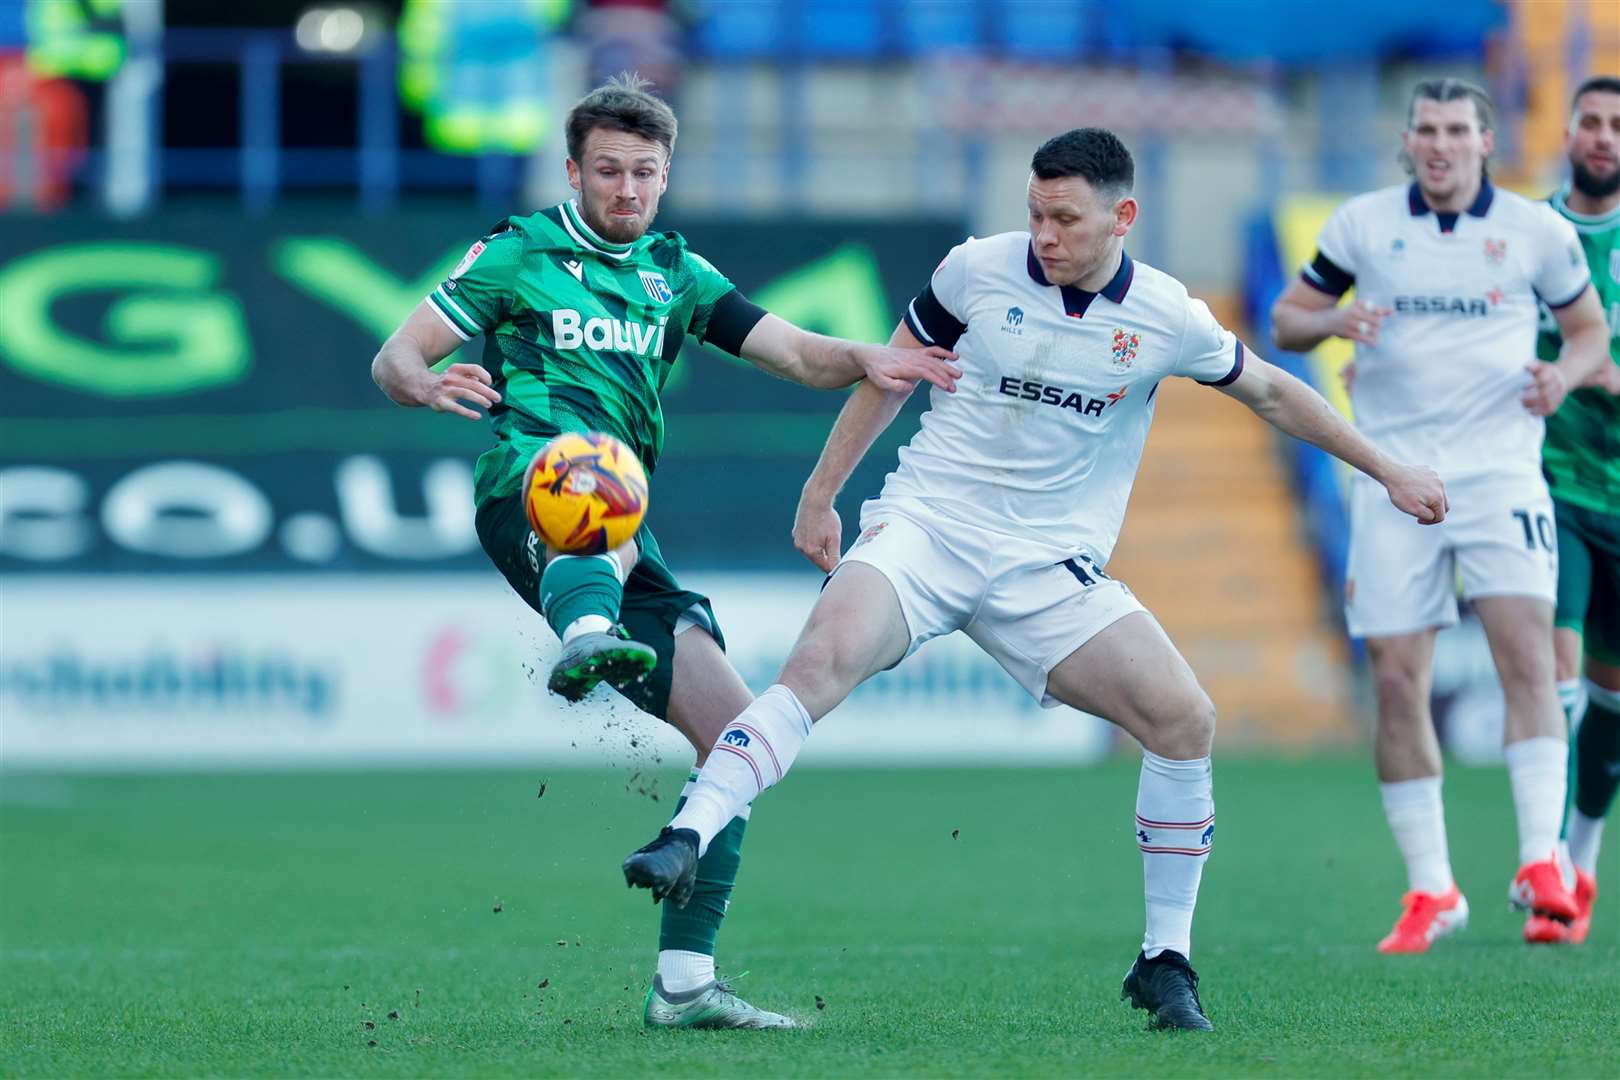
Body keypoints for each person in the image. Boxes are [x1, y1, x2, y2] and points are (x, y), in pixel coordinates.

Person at [621, 127, 1448, 1032]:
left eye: (1064, 218)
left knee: (1184, 719)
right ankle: (686, 835)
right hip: (927, 531)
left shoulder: (1167, 315)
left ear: (1122, 218)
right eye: (1033, 213)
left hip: (1048, 570)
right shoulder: (975, 271)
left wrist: (1387, 468)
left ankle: (1164, 959)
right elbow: (889, 376)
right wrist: (823, 495)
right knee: (819, 663)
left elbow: (1276, 392)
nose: (1044, 235)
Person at [370, 74, 960, 1030]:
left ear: (666, 174)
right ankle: (586, 630)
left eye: (646, 172)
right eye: (609, 170)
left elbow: (795, 354)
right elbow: (395, 357)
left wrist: (867, 358)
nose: (628, 189)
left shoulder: (676, 274)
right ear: (573, 170)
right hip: (525, 482)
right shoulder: (518, 253)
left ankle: (684, 984)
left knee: (739, 738)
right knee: (589, 471)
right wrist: (423, 386)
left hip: (621, 528)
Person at [1270, 78, 1610, 954]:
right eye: (1426, 129)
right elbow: (1286, 320)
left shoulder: (1537, 233)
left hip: (1501, 473)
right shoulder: (1361, 225)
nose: (1439, 144)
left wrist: (1561, 379)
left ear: (1486, 141)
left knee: (1529, 656)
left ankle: (1542, 861)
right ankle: (1432, 890)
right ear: (1408, 140)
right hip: (1393, 475)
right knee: (1393, 678)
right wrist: (1340, 316)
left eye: (1457, 130)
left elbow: (1588, 335)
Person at [1523, 75, 1620, 946]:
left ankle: (1580, 863)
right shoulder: (1527, 235)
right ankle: (1544, 859)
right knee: (1560, 683)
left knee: (1609, 701)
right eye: (1591, 120)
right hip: (1556, 484)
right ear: (1568, 130)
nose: (1603, 136)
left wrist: (1589, 370)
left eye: (1619, 126)